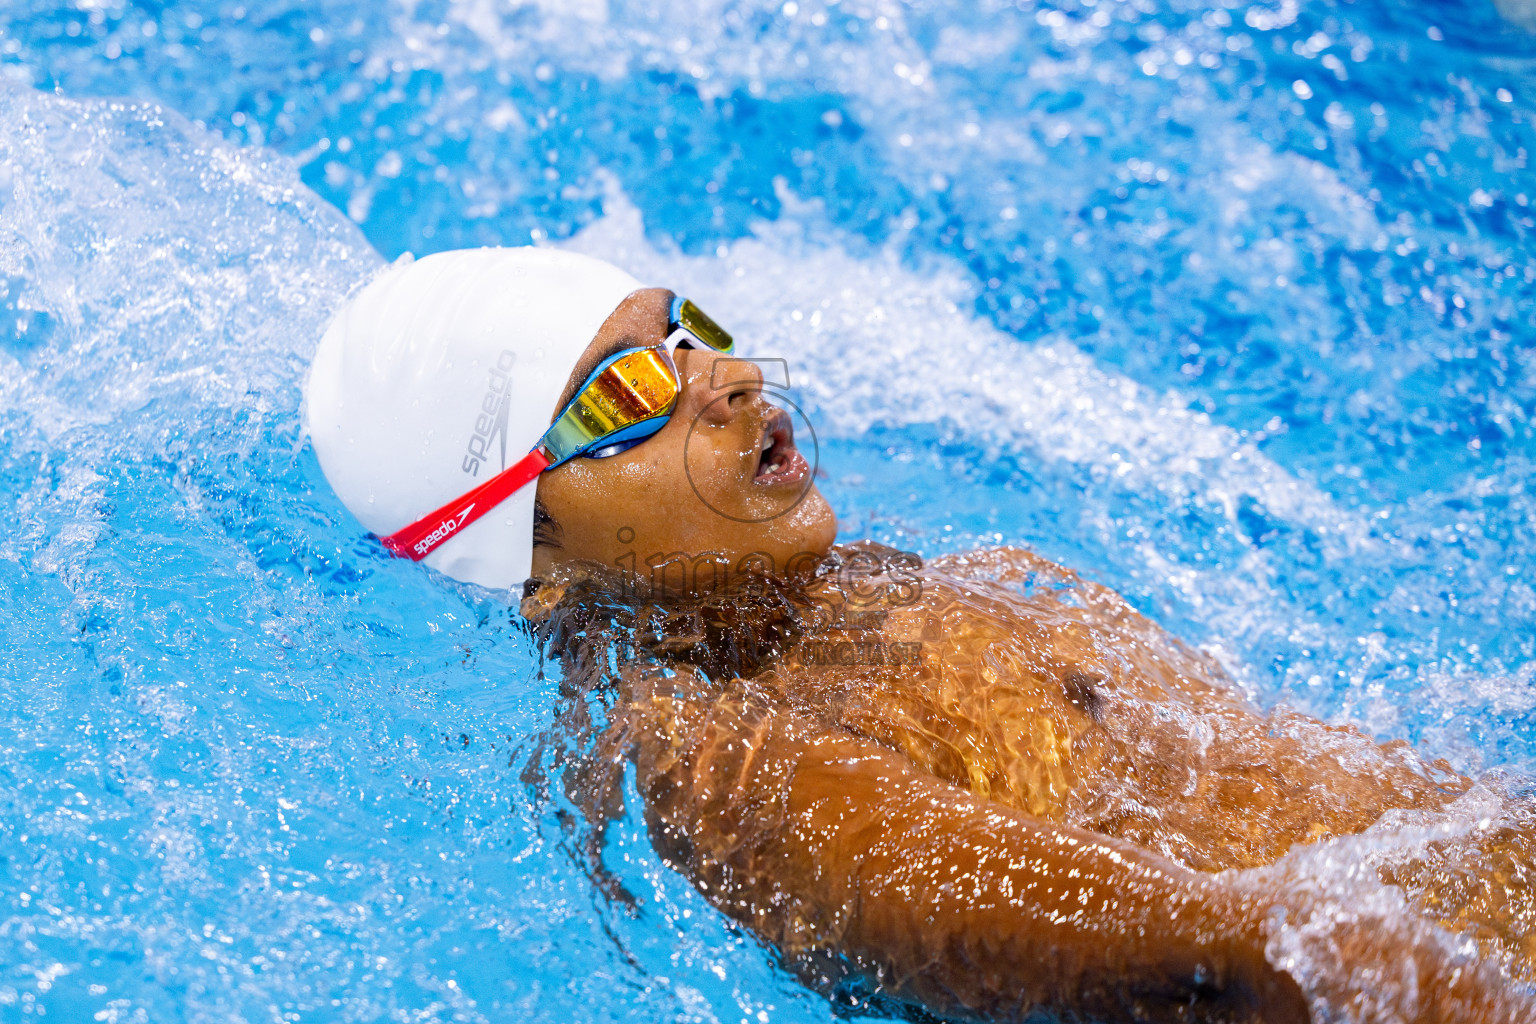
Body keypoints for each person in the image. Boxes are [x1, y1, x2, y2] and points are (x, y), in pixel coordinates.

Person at [307, 247, 1535, 1024]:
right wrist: (1374, 965)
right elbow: (1194, 954)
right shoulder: (710, 758)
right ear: (532, 558)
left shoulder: (843, 588)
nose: (723, 382)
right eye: (627, 396)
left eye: (687, 331)